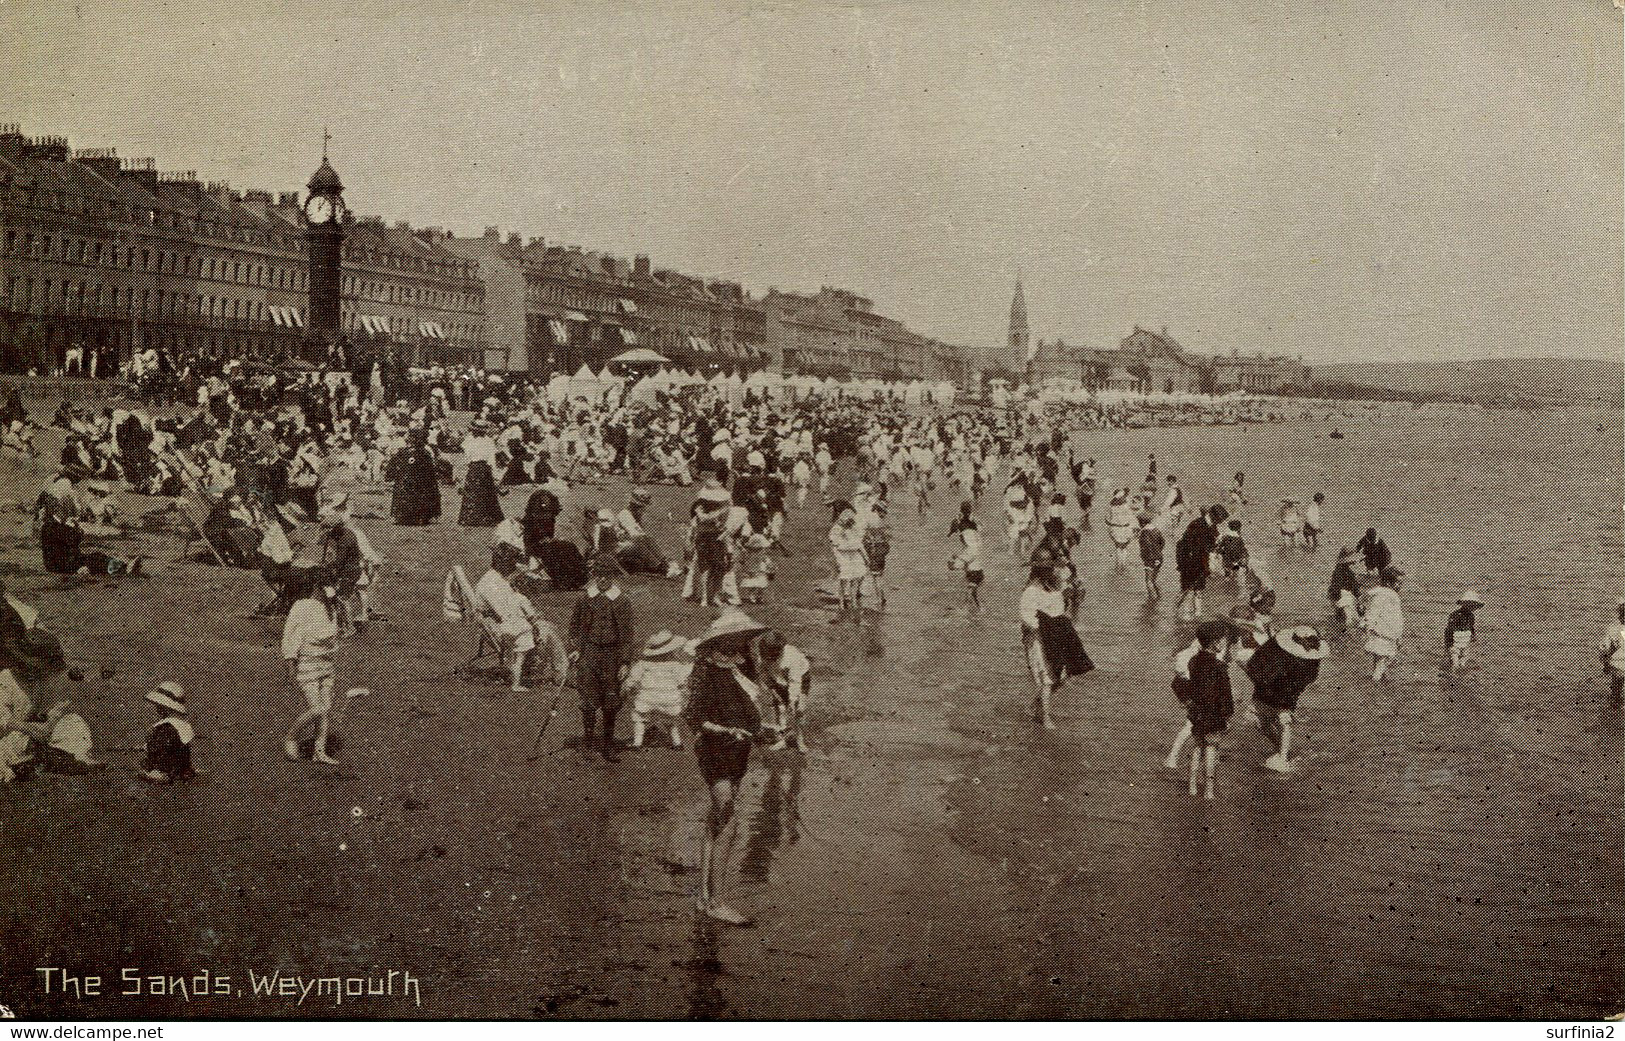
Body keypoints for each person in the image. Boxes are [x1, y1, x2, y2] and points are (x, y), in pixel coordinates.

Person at [683, 610, 769, 926]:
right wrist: (726, 730)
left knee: (716, 821)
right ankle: (716, 901)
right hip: (715, 750)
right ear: (721, 639)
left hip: (738, 752)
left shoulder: (742, 666)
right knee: (729, 819)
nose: (742, 642)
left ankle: (704, 898)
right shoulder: (707, 670)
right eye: (736, 637)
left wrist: (761, 731)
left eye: (745, 637)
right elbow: (694, 718)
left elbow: (750, 710)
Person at [568, 554, 637, 762]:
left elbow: (627, 634)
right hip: (589, 653)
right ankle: (588, 742)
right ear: (594, 576)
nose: (602, 580)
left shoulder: (622, 601)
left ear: (612, 577)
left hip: (612, 655)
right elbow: (575, 628)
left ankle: (608, 744)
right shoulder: (584, 599)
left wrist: (625, 661)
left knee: (611, 700)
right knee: (588, 699)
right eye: (598, 576)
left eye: (606, 576)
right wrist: (575, 649)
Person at [280, 574, 352, 765]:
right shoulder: (302, 606)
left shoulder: (333, 607)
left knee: (325, 708)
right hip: (307, 665)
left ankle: (319, 752)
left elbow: (339, 634)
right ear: (316, 587)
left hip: (327, 665)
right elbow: (291, 637)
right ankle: (291, 737)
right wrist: (290, 666)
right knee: (317, 709)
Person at [477, 544, 569, 692]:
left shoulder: (496, 578)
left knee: (550, 627)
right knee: (548, 631)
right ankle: (562, 674)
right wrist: (532, 620)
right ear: (502, 563)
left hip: (506, 623)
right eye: (512, 563)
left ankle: (558, 669)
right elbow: (506, 615)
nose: (515, 566)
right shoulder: (491, 584)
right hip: (504, 628)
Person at [1245, 626, 1328, 773]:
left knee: (1284, 721)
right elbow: (1255, 666)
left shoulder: (1312, 661)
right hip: (1266, 687)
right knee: (1260, 723)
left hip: (1287, 692)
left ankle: (1283, 758)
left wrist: (1289, 702)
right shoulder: (1274, 649)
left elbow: (1306, 680)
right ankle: (1281, 748)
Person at [1019, 564, 1092, 730]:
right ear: (1040, 573)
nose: (1054, 572)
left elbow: (1066, 606)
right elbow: (1028, 619)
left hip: (1058, 636)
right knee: (1048, 677)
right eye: (1049, 570)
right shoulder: (1031, 592)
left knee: (1064, 675)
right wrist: (1047, 624)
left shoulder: (1055, 587)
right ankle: (1044, 717)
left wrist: (1075, 594)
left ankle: (1033, 705)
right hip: (1039, 640)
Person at [1184, 619, 1234, 800]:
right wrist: (1228, 716)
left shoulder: (1193, 661)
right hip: (1214, 714)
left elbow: (1193, 686)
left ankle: (1191, 785)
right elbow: (1225, 695)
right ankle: (1209, 789)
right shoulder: (1220, 667)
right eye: (1223, 640)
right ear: (1216, 642)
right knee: (1211, 748)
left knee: (1198, 747)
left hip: (1197, 712)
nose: (1225, 643)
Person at [624, 630, 692, 748]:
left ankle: (637, 742)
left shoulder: (643, 663)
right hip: (669, 697)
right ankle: (677, 742)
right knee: (671, 721)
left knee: (639, 718)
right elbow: (682, 680)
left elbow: (633, 678)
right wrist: (683, 691)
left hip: (647, 697)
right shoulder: (675, 665)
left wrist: (628, 687)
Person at [756, 629, 811, 753]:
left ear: (780, 650)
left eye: (773, 656)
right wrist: (772, 689)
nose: (769, 658)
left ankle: (799, 739)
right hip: (778, 681)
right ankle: (783, 739)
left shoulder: (793, 657)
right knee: (781, 709)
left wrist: (792, 701)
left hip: (800, 678)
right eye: (767, 655)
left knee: (799, 710)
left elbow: (795, 681)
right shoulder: (763, 655)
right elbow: (763, 673)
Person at [1174, 505, 1227, 622]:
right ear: (1214, 517)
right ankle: (1184, 615)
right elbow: (1188, 545)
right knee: (1189, 589)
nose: (1220, 523)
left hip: (1200, 561)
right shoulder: (1198, 524)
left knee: (1198, 589)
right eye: (1220, 520)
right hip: (1189, 561)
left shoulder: (1210, 526)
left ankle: (1197, 614)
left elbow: (1207, 545)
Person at [142, 681, 197, 783]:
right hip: (182, 770)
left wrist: (149, 765)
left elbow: (161, 752)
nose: (157, 707)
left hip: (165, 772)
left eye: (159, 705)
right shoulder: (182, 725)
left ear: (165, 707)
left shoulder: (165, 728)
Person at [1361, 565, 1406, 682]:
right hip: (1384, 634)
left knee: (1380, 659)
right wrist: (1368, 628)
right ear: (1387, 582)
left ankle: (1381, 679)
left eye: (1401, 583)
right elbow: (1373, 612)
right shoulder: (1384, 595)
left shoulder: (1386, 594)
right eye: (1398, 583)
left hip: (1384, 633)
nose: (1400, 586)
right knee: (1383, 659)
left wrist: (1398, 636)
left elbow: (1395, 617)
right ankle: (1375, 683)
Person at [388, 428, 441, 526]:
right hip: (416, 481)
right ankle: (415, 517)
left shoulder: (420, 452)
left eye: (410, 437)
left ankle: (411, 516)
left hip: (413, 480)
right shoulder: (422, 452)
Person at [458, 421, 505, 527]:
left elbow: (466, 457)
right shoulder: (486, 441)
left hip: (475, 468)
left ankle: (472, 517)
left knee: (474, 492)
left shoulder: (471, 440)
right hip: (483, 468)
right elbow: (491, 459)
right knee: (485, 492)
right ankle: (484, 517)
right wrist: (494, 473)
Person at [828, 501, 868, 618]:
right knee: (845, 578)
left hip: (853, 553)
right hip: (843, 554)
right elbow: (836, 545)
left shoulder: (852, 527)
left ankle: (853, 601)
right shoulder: (837, 529)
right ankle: (841, 603)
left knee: (856, 577)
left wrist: (865, 557)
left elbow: (859, 543)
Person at [949, 502, 985, 607]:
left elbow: (971, 551)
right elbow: (980, 527)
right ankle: (976, 610)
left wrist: (955, 563)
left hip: (974, 572)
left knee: (970, 594)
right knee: (973, 595)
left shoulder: (967, 534)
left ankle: (967, 612)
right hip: (976, 570)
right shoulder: (974, 529)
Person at [1327, 546, 1364, 629]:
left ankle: (1340, 631)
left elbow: (1334, 589)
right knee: (1348, 622)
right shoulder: (1344, 572)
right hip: (1344, 598)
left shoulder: (1341, 569)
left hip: (1340, 598)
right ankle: (1343, 633)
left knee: (1342, 620)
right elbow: (1339, 588)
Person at [1446, 591, 1483, 672]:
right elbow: (1449, 628)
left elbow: (1471, 627)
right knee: (1455, 655)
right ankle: (1454, 670)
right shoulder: (1456, 614)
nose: (1473, 607)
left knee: (1465, 655)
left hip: (1465, 637)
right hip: (1456, 638)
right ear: (1464, 604)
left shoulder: (1471, 616)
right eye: (1471, 604)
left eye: (1474, 605)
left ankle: (1461, 668)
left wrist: (1473, 636)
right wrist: (1449, 642)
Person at [1599, 598, 1625, 705]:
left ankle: (1614, 714)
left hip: (1618, 665)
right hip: (1620, 663)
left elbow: (1604, 649)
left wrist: (1605, 665)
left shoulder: (1613, 629)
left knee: (1616, 694)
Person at [1138, 512, 1165, 600]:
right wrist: (1158, 553)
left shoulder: (1144, 532)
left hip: (1150, 559)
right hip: (1159, 557)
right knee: (1154, 579)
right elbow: (1163, 542)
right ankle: (1159, 597)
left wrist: (1145, 556)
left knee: (1148, 580)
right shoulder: (1157, 530)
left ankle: (1151, 600)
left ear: (1142, 522)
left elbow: (1147, 546)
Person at [1106, 490, 1136, 568]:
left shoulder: (1111, 506)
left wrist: (1111, 525)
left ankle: (1118, 566)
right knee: (1124, 547)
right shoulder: (1127, 506)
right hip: (1126, 528)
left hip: (1115, 528)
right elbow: (1131, 518)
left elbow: (1107, 520)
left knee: (1118, 547)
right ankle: (1123, 565)